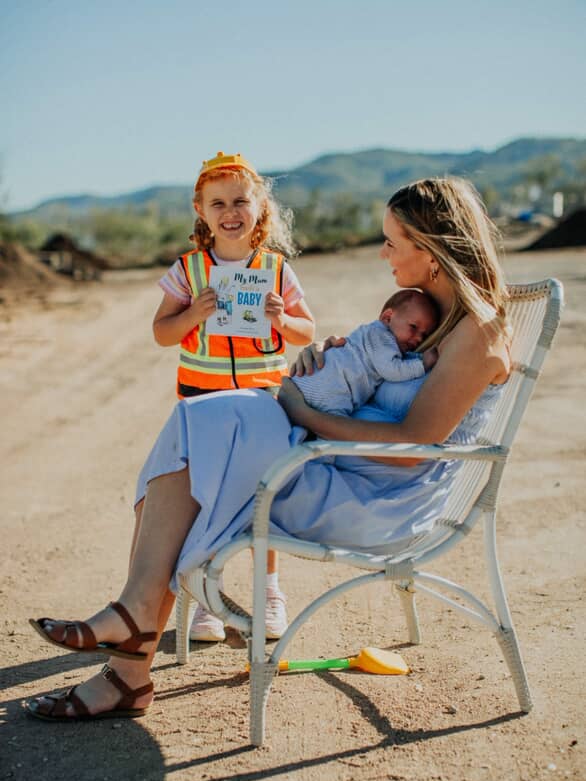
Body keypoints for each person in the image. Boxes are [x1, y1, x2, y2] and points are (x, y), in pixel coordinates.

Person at [26, 176, 511, 722]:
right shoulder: (423, 317)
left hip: (378, 499)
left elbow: (410, 447)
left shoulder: (477, 332)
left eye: (392, 243)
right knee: (200, 415)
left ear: (429, 251)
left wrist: (306, 414)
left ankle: (130, 653)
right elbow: (379, 391)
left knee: (215, 432)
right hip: (342, 465)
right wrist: (331, 357)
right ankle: (131, 649)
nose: (383, 254)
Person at [152, 151, 316, 643]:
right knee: (205, 498)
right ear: (200, 210)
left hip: (263, 403)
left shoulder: (276, 270)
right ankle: (205, 597)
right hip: (203, 403)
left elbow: (306, 331)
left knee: (260, 496)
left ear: (259, 207)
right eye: (217, 202)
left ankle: (269, 594)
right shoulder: (189, 270)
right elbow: (162, 333)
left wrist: (280, 319)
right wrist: (191, 315)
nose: (230, 211)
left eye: (240, 200)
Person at [292, 288, 439, 417]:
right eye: (413, 327)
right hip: (330, 384)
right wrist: (423, 364)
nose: (419, 338)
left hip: (319, 383)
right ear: (387, 318)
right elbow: (391, 369)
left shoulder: (381, 338)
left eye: (424, 335)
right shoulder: (380, 335)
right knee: (334, 427)